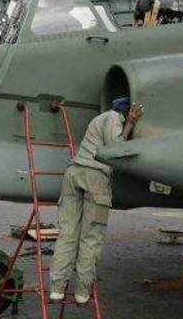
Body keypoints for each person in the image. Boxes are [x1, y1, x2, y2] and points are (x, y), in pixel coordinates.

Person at [49, 98, 145, 304]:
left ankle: (57, 288)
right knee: (90, 237)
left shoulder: (100, 118)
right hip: (95, 176)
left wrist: (126, 125)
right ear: (126, 112)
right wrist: (131, 123)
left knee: (67, 234)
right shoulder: (113, 119)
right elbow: (115, 149)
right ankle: (82, 292)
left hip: (74, 173)